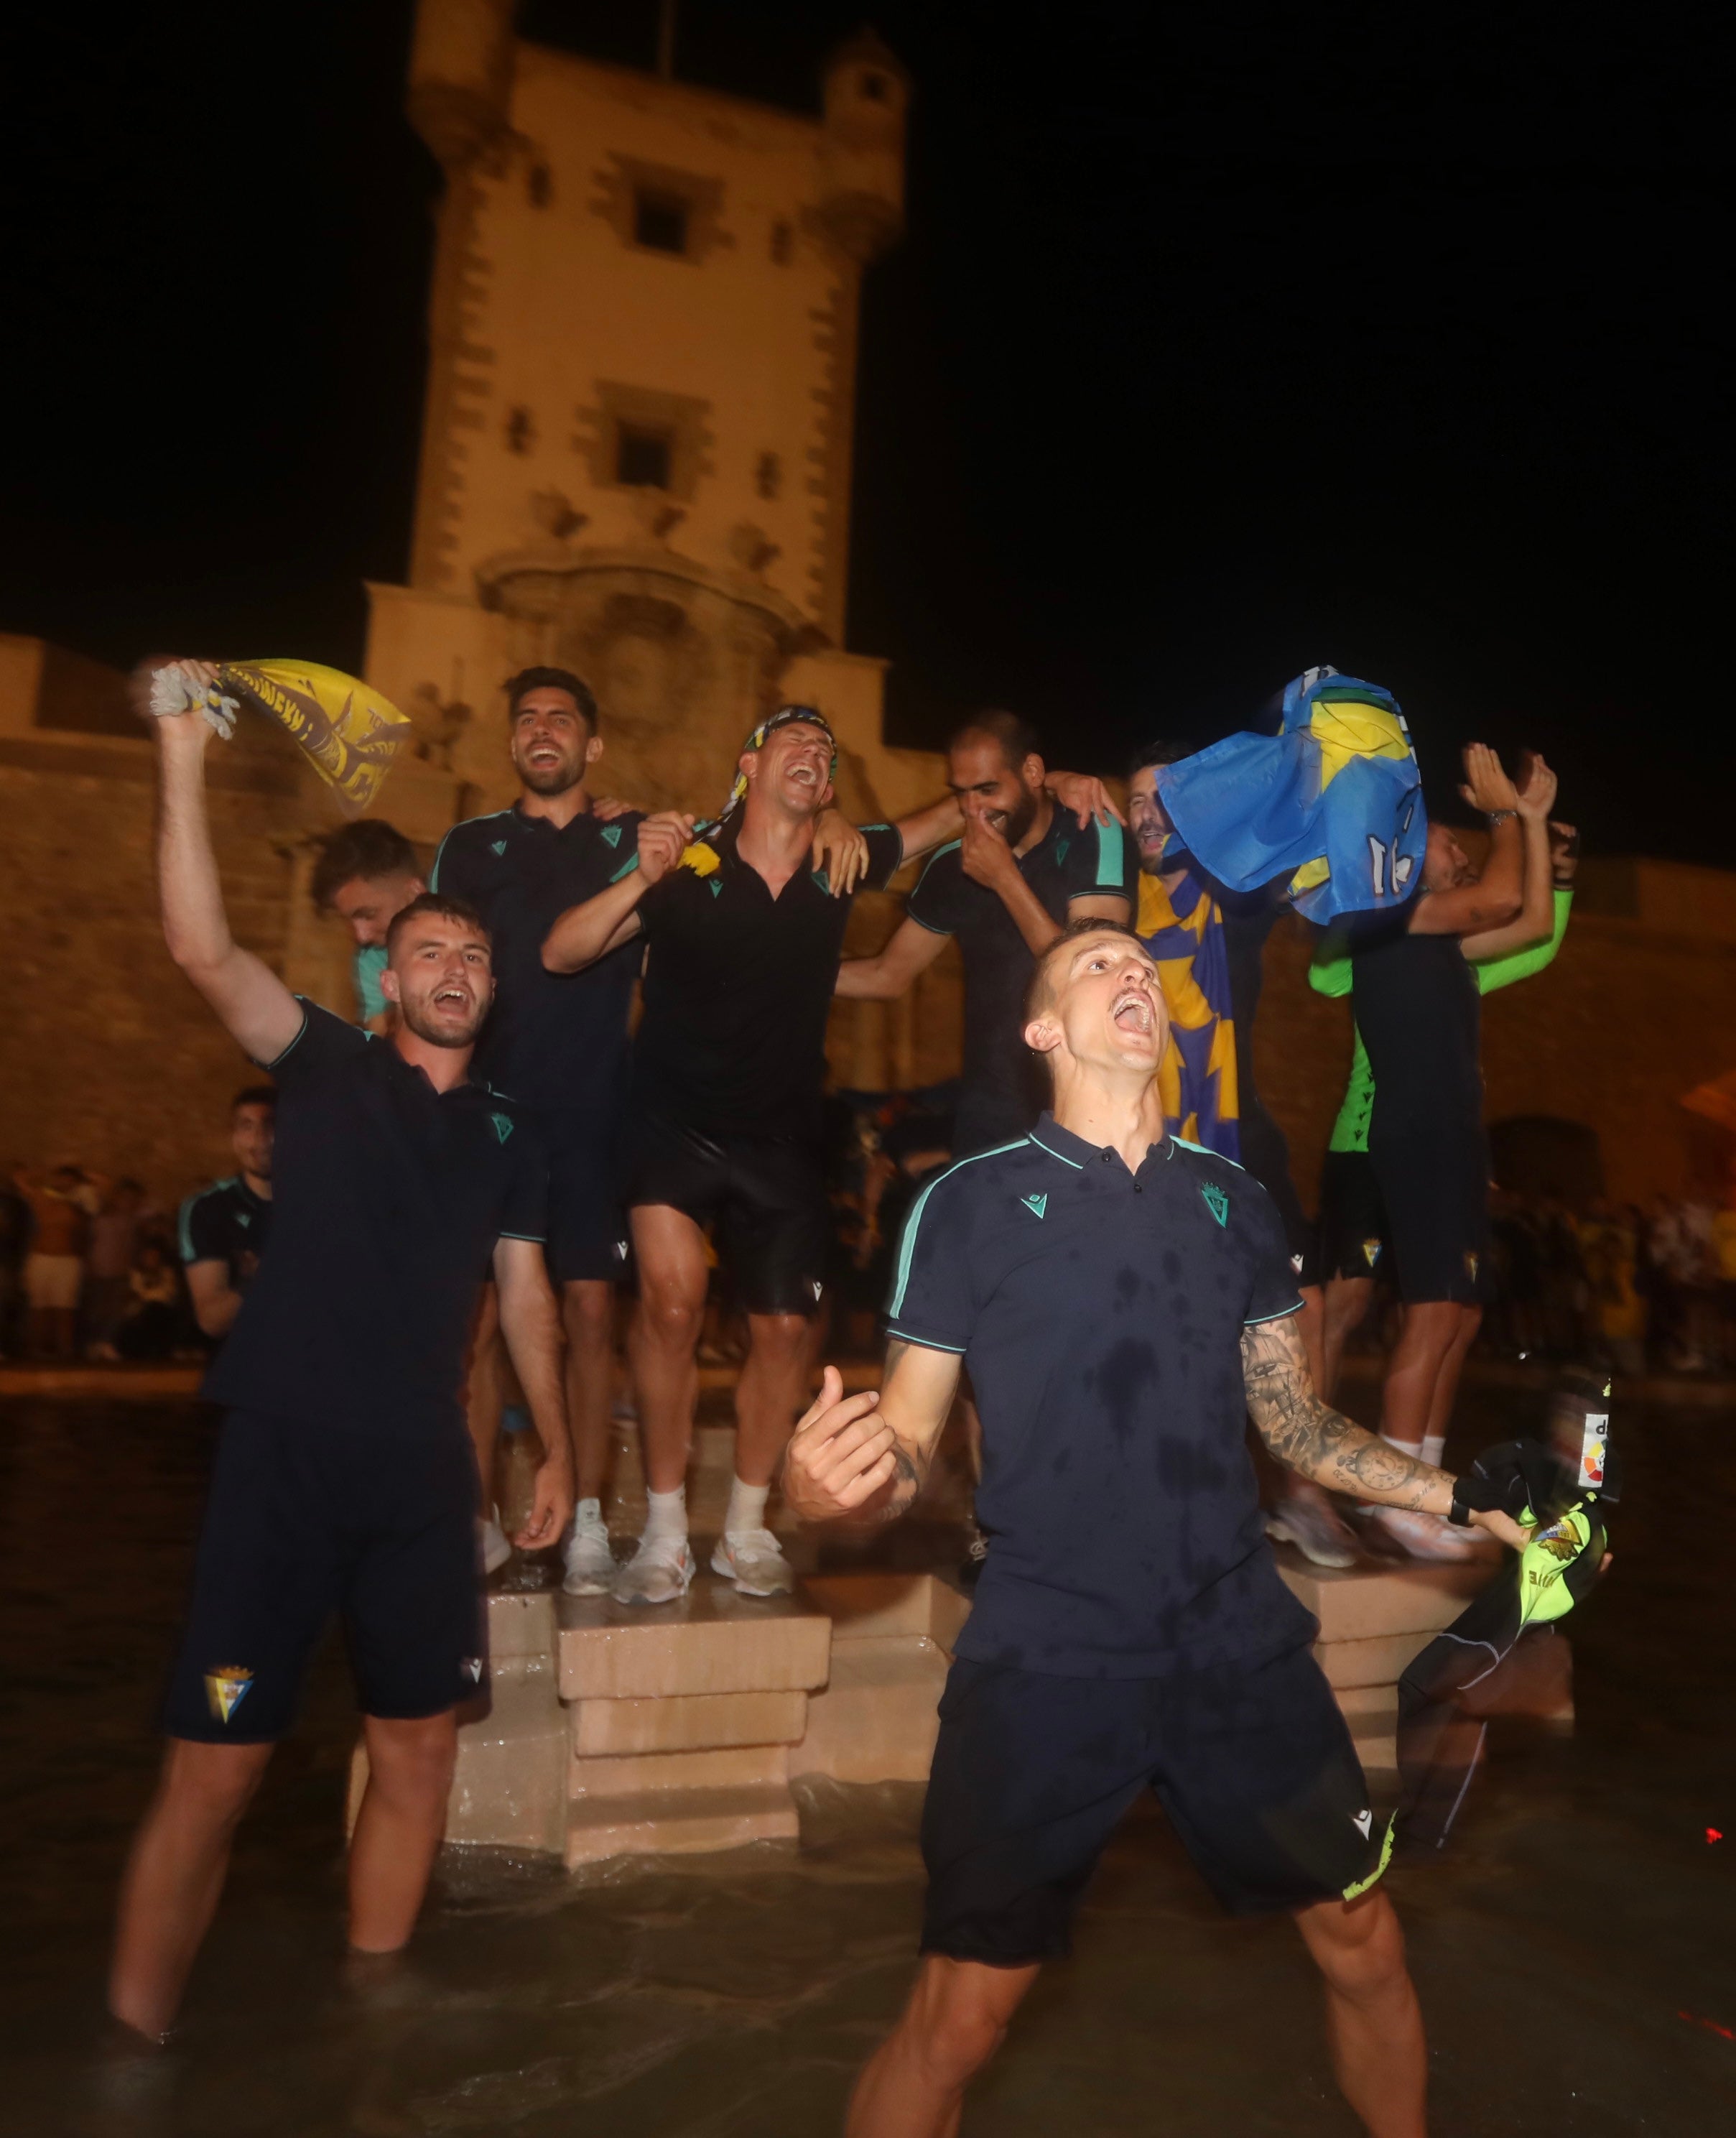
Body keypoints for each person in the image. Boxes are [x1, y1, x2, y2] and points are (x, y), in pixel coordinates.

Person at [784, 918, 1527, 2138]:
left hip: (1235, 1644)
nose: (1132, 974)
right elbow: (907, 1440)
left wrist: (1458, 1494)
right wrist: (830, 1488)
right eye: (1095, 964)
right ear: (1040, 1029)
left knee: (1364, 1942)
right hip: (1044, 1654)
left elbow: (1291, 1422)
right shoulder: (962, 1206)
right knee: (960, 2015)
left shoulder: (1235, 1205)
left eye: (1143, 966)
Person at [111, 660, 573, 2045]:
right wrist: (183, 754)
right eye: (429, 951)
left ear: (490, 994)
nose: (455, 970)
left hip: (423, 1482)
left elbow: (528, 1298)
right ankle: (131, 2053)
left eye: (474, 959)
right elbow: (202, 950)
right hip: (284, 1464)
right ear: (384, 978)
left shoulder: (509, 1136)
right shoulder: (317, 1064)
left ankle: (374, 2017)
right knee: (216, 1770)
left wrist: (547, 1442)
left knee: (420, 1753)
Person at [431, 667, 868, 1588]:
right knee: (475, 1320)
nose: (541, 730)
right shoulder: (471, 844)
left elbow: (759, 837)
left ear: (593, 747)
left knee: (596, 1312)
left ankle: (589, 1513)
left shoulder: (642, 833)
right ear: (511, 741)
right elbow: (439, 948)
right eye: (526, 719)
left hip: (601, 1107)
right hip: (488, 1109)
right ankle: (471, 1522)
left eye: (562, 718)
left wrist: (827, 818)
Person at [543, 704, 961, 1605]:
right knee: (670, 1301)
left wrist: (1054, 784)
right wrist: (640, 878)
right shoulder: (686, 857)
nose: (813, 752)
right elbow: (560, 952)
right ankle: (661, 1530)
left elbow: (959, 810)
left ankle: (741, 1529)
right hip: (669, 1122)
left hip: (778, 1136)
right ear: (748, 764)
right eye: (793, 743)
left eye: (826, 748)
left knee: (780, 1330)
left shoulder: (838, 861)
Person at [1308, 805, 1577, 1546]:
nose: (1455, 846)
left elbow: (1525, 926)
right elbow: (1495, 901)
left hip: (1452, 1142)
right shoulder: (1388, 919)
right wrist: (1506, 814)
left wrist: (1536, 839)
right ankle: (1362, 1491)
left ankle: (1425, 1493)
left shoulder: (1447, 943)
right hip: (1402, 1138)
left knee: (1458, 1314)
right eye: (1442, 837)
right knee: (1399, 1311)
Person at [1128, 739, 1351, 1563]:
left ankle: (1300, 1493)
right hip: (1143, 1139)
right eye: (1134, 802)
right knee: (1164, 1320)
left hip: (1235, 1128)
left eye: (1165, 801)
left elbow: (1315, 836)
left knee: (1306, 1303)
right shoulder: (1108, 892)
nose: (1146, 817)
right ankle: (1170, 1494)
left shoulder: (1239, 892)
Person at [835, 711, 1134, 1157]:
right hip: (986, 1122)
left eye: (989, 789)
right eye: (963, 793)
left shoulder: (1095, 832)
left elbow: (1092, 970)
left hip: (1085, 1121)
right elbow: (888, 974)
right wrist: (790, 974)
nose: (974, 810)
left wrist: (1004, 879)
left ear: (1033, 773)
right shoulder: (953, 865)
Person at [310, 819, 428, 1035]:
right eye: (348, 920)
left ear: (414, 893)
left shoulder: (475, 937)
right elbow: (380, 1039)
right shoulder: (370, 959)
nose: (360, 936)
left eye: (369, 915)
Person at [178, 1087, 277, 1341]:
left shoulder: (321, 1201)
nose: (258, 1138)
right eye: (246, 1126)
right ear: (234, 1137)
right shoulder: (209, 1209)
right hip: (247, 1367)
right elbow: (212, 1320)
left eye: (271, 1125)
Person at [17, 1162, 92, 1359]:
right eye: (61, 1178)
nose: (64, 1183)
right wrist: (42, 1173)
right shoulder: (42, 1197)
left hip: (68, 1260)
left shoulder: (80, 1202)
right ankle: (35, 1348)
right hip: (41, 1257)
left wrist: (86, 1176)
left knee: (65, 1307)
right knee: (38, 1305)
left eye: (69, 1179)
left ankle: (64, 1349)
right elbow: (20, 1181)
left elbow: (87, 1221)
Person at [84, 1177, 150, 1358]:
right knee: (97, 1309)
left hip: (121, 1271)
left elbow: (135, 1246)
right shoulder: (100, 1219)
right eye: (125, 1198)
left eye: (132, 1199)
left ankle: (107, 1343)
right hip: (100, 1270)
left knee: (116, 1311)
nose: (128, 1202)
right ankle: (93, 1344)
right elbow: (88, 1243)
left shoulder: (134, 1222)